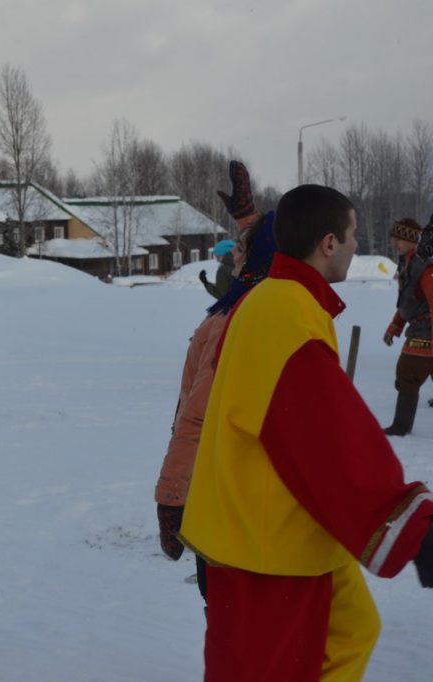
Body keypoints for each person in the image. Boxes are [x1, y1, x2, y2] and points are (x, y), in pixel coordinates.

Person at [179, 184, 433, 681]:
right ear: (329, 243)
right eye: (353, 235)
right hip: (262, 540)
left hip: (283, 520)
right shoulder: (284, 313)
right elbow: (328, 437)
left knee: (351, 629)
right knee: (271, 668)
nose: (358, 245)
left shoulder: (277, 299)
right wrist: (412, 528)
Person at [155, 161, 276, 601]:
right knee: (233, 613)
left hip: (231, 495)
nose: (235, 254)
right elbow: (196, 416)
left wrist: (249, 219)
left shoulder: (253, 305)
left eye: (241, 248)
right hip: (228, 498)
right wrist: (172, 498)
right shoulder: (248, 309)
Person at [382, 218, 433, 435]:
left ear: (411, 239)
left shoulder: (424, 266)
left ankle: (401, 426)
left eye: (398, 239)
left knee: (407, 373)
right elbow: (406, 302)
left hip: (426, 332)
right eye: (393, 239)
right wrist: (395, 326)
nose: (394, 244)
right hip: (419, 326)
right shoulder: (409, 263)